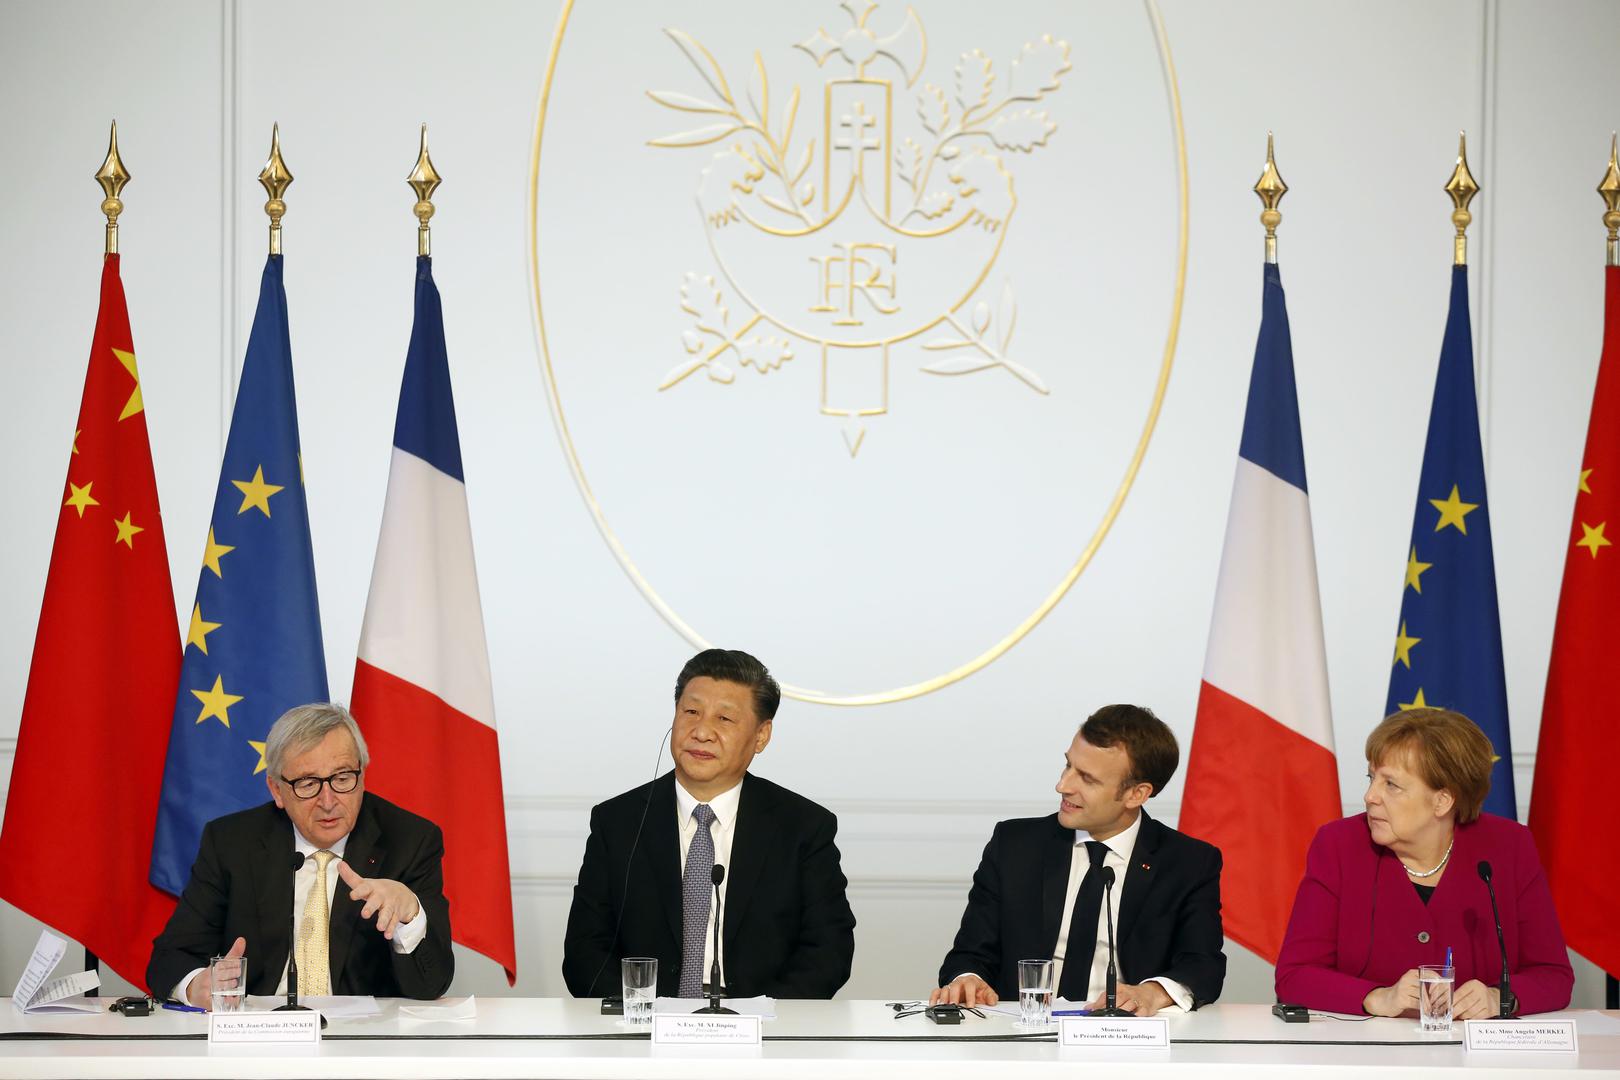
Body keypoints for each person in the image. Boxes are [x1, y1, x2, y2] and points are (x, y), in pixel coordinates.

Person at [562, 648, 856, 999]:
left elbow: (828, 951)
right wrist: (645, 1012)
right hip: (644, 1022)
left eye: (724, 719)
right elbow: (584, 950)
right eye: (691, 712)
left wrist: (762, 1016)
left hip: (763, 1024)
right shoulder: (618, 822)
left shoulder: (803, 827)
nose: (701, 732)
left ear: (761, 735)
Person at [147, 703, 454, 1005]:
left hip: (364, 1031)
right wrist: (194, 986)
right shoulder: (232, 842)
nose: (328, 801)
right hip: (260, 1028)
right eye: (308, 784)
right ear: (277, 790)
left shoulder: (409, 841)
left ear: (362, 777)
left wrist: (410, 916)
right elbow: (170, 957)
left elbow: (432, 985)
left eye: (342, 779)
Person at [1275, 707, 1573, 1018]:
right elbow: (1294, 976)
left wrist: (1500, 998)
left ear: (1442, 801)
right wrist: (1378, 998)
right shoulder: (1338, 845)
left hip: (1473, 1047)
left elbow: (1554, 976)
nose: (1370, 796)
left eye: (1391, 785)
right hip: (1370, 1046)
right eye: (1371, 778)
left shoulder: (1510, 847)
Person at [931, 705, 1226, 1015]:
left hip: (1125, 1033)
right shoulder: (1014, 846)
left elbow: (1203, 965)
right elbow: (970, 954)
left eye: (1087, 778)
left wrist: (1151, 993)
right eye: (1068, 765)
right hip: (1024, 1029)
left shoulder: (1188, 862)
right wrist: (969, 979)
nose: (1063, 786)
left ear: (1136, 794)